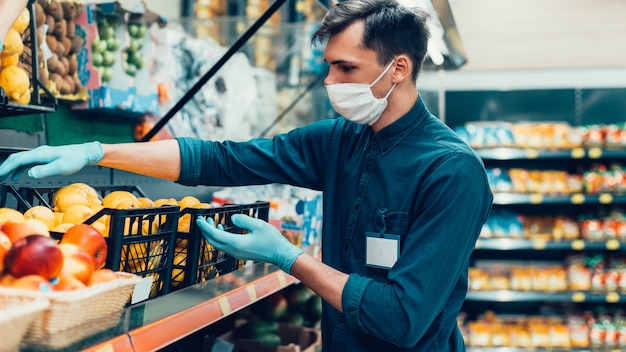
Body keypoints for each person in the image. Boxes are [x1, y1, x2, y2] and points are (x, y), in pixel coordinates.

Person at [0, 0, 493, 350]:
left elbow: (403, 319)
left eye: (345, 68)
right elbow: (221, 159)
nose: (330, 83)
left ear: (399, 68)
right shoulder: (341, 139)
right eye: (328, 67)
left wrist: (288, 256)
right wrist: (94, 151)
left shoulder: (452, 172)